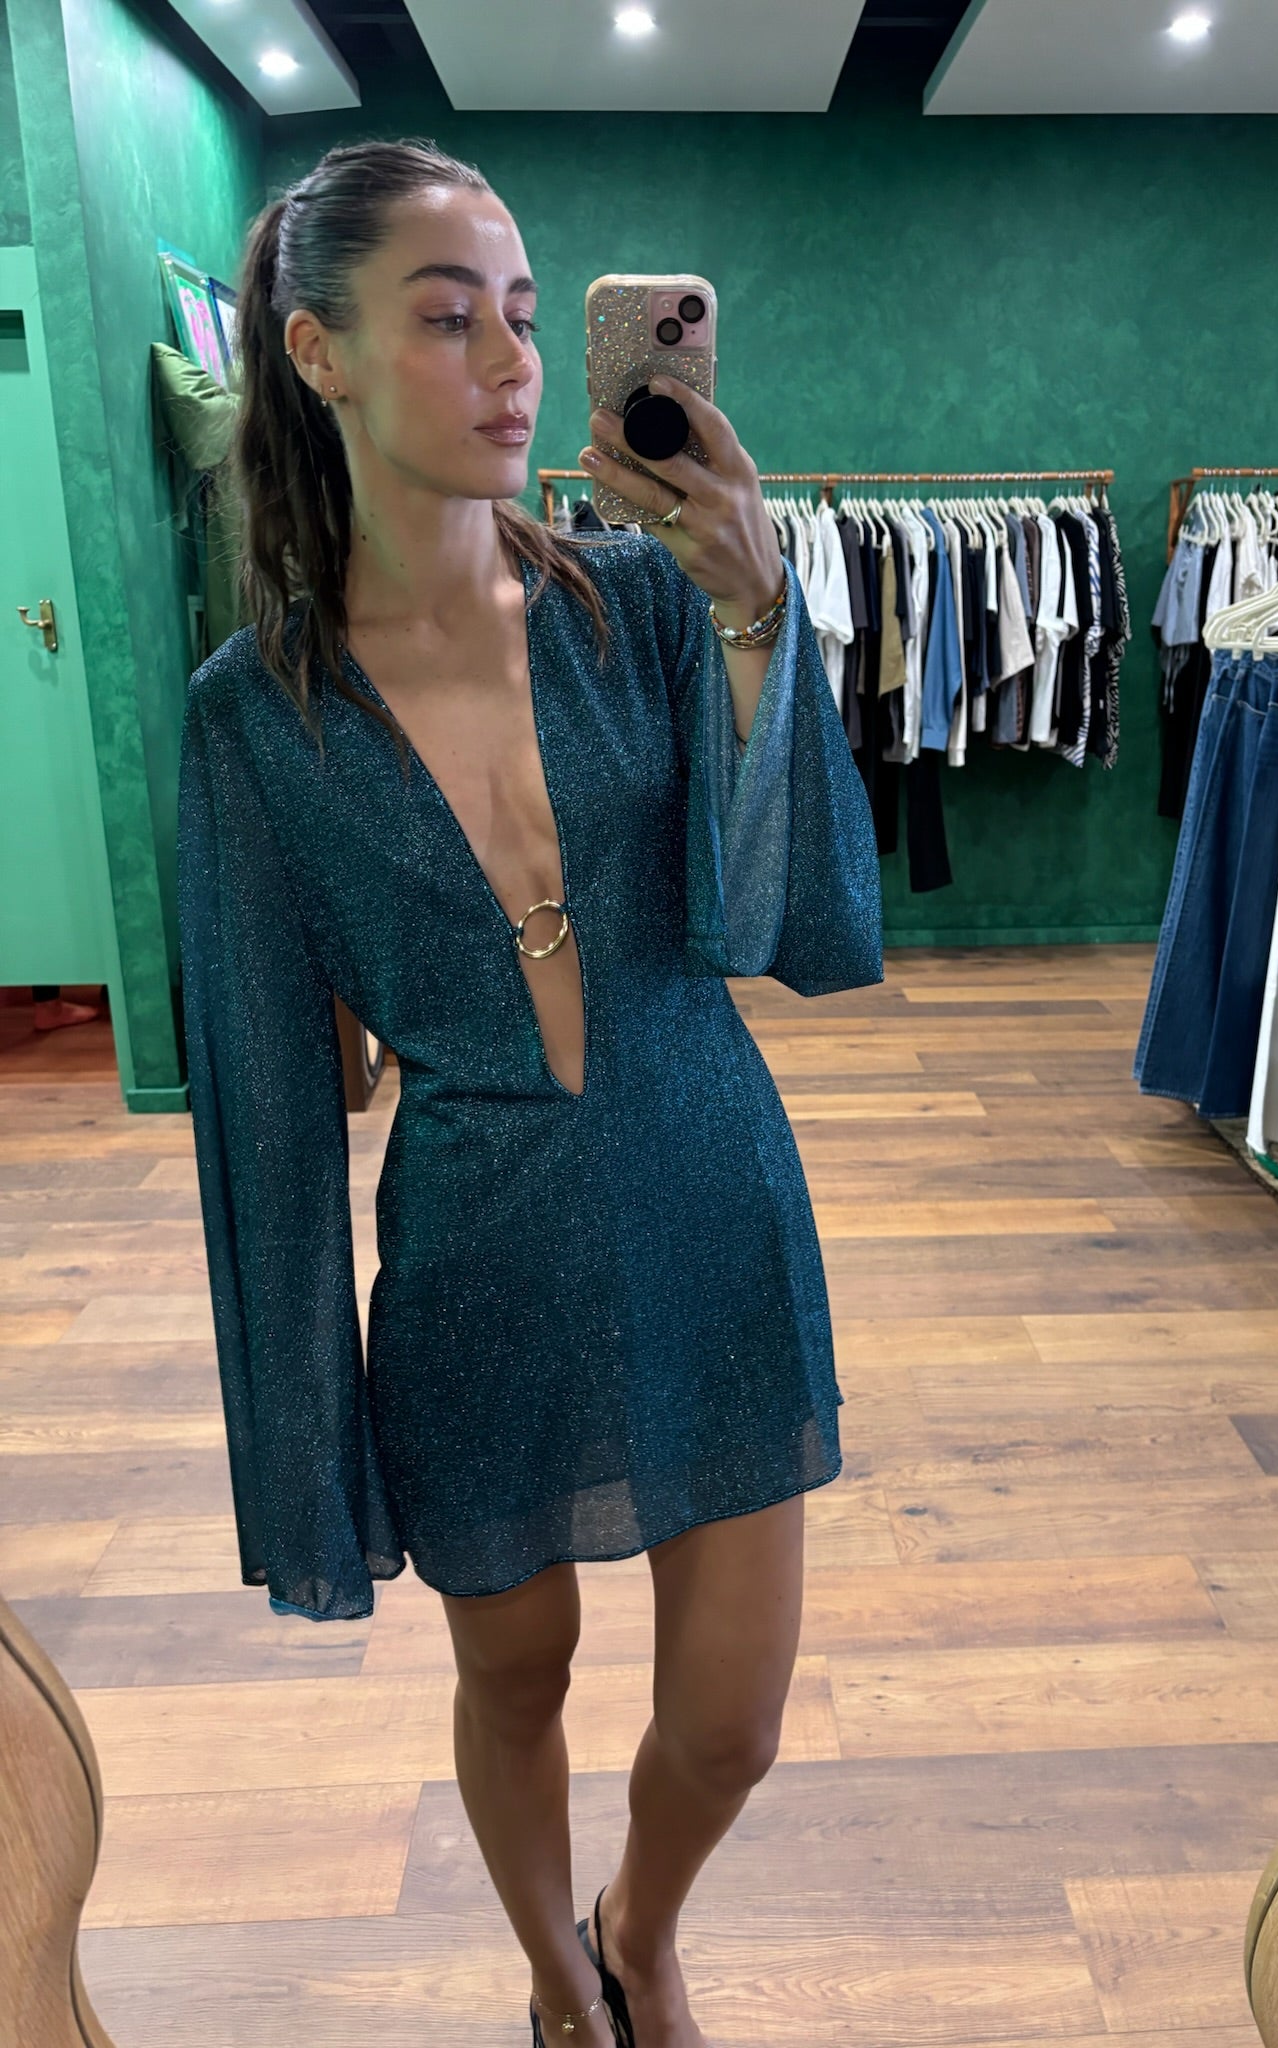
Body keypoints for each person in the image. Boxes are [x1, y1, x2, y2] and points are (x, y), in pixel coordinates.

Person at [176, 138, 883, 2048]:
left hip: (710, 1192)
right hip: (481, 1259)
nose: (507, 362)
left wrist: (756, 608)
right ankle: (563, 1986)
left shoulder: (638, 610)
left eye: (519, 313)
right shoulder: (257, 716)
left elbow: (791, 917)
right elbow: (264, 1113)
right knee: (518, 1676)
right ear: (317, 352)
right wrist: (309, 1443)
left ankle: (640, 1922)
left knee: (732, 1720)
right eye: (446, 319)